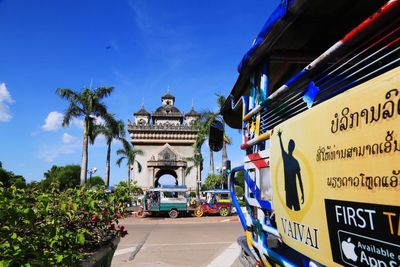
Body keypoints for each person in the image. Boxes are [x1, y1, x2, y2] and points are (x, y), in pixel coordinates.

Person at [277, 129, 304, 211]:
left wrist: (279, 137)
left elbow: (300, 180)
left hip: (290, 191)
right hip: (290, 191)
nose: (289, 147)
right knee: (294, 211)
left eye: (290, 145)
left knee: (293, 211)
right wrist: (279, 137)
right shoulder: (294, 161)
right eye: (289, 145)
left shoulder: (286, 158)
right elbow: (300, 180)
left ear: (291, 148)